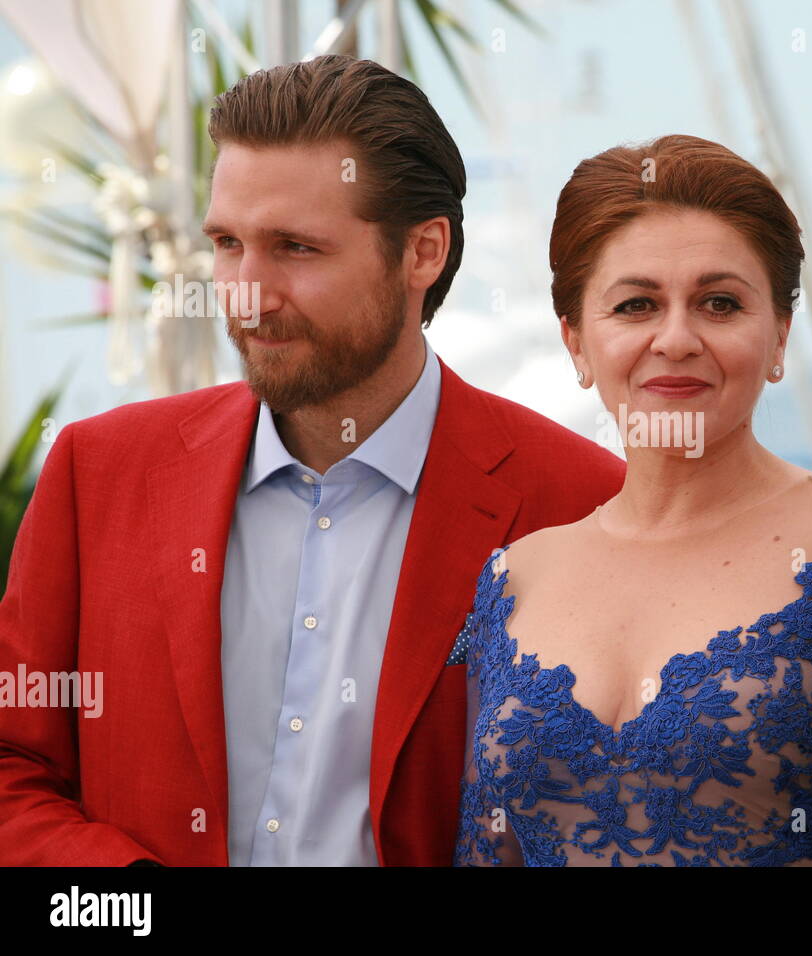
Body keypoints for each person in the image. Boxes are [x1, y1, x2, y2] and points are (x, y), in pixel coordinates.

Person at [0, 55, 623, 866]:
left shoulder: (581, 500)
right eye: (227, 244)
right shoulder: (99, 471)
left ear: (423, 253)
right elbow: (16, 768)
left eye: (295, 247)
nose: (246, 292)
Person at [453, 134, 812, 866]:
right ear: (576, 342)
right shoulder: (517, 577)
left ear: (778, 340)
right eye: (636, 304)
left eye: (720, 303)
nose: (675, 338)